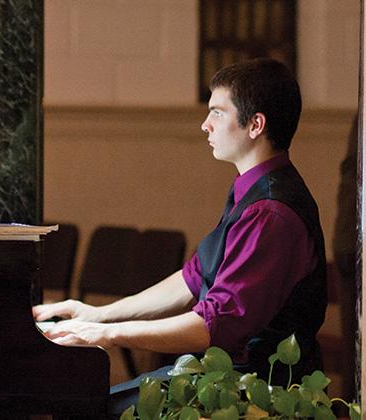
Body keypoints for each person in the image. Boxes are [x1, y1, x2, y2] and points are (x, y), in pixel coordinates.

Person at [32, 58, 327, 414]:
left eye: (217, 113)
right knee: (91, 404)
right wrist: (98, 315)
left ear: (255, 125)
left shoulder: (270, 212)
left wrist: (108, 335)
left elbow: (212, 326)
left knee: (98, 409)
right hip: (227, 376)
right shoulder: (253, 192)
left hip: (254, 391)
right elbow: (191, 280)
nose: (205, 125)